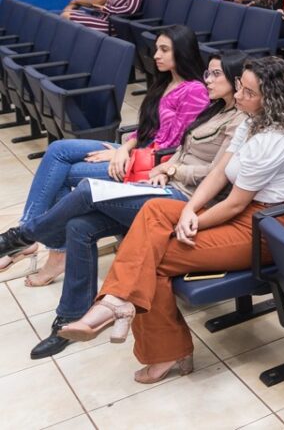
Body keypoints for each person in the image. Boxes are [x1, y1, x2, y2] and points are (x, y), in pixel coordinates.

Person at [57, 57, 284, 385]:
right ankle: (117, 304)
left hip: (264, 227)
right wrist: (190, 210)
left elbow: (234, 204)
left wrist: (194, 222)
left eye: (248, 91)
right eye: (240, 87)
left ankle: (143, 330)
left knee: (153, 257)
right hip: (238, 212)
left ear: (270, 99)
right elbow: (219, 173)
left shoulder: (274, 138)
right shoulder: (251, 119)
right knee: (153, 213)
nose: (239, 95)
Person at [0, 52, 247, 359]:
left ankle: (21, 237)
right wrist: (162, 168)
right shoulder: (214, 110)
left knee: (89, 189)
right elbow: (183, 150)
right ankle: (70, 317)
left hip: (187, 202)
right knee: (79, 226)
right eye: (207, 73)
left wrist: (172, 170)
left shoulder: (240, 121)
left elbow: (216, 175)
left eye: (215, 75)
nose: (207, 80)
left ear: (236, 81)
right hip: (164, 187)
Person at [1, 25, 208, 286]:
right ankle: (29, 231)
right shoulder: (165, 82)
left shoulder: (194, 91)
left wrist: (126, 156)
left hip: (153, 164)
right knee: (58, 150)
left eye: (164, 50)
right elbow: (146, 130)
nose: (156, 55)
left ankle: (43, 245)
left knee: (63, 175)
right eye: (156, 48)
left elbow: (175, 144)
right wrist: (121, 149)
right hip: (136, 152)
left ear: (183, 52)